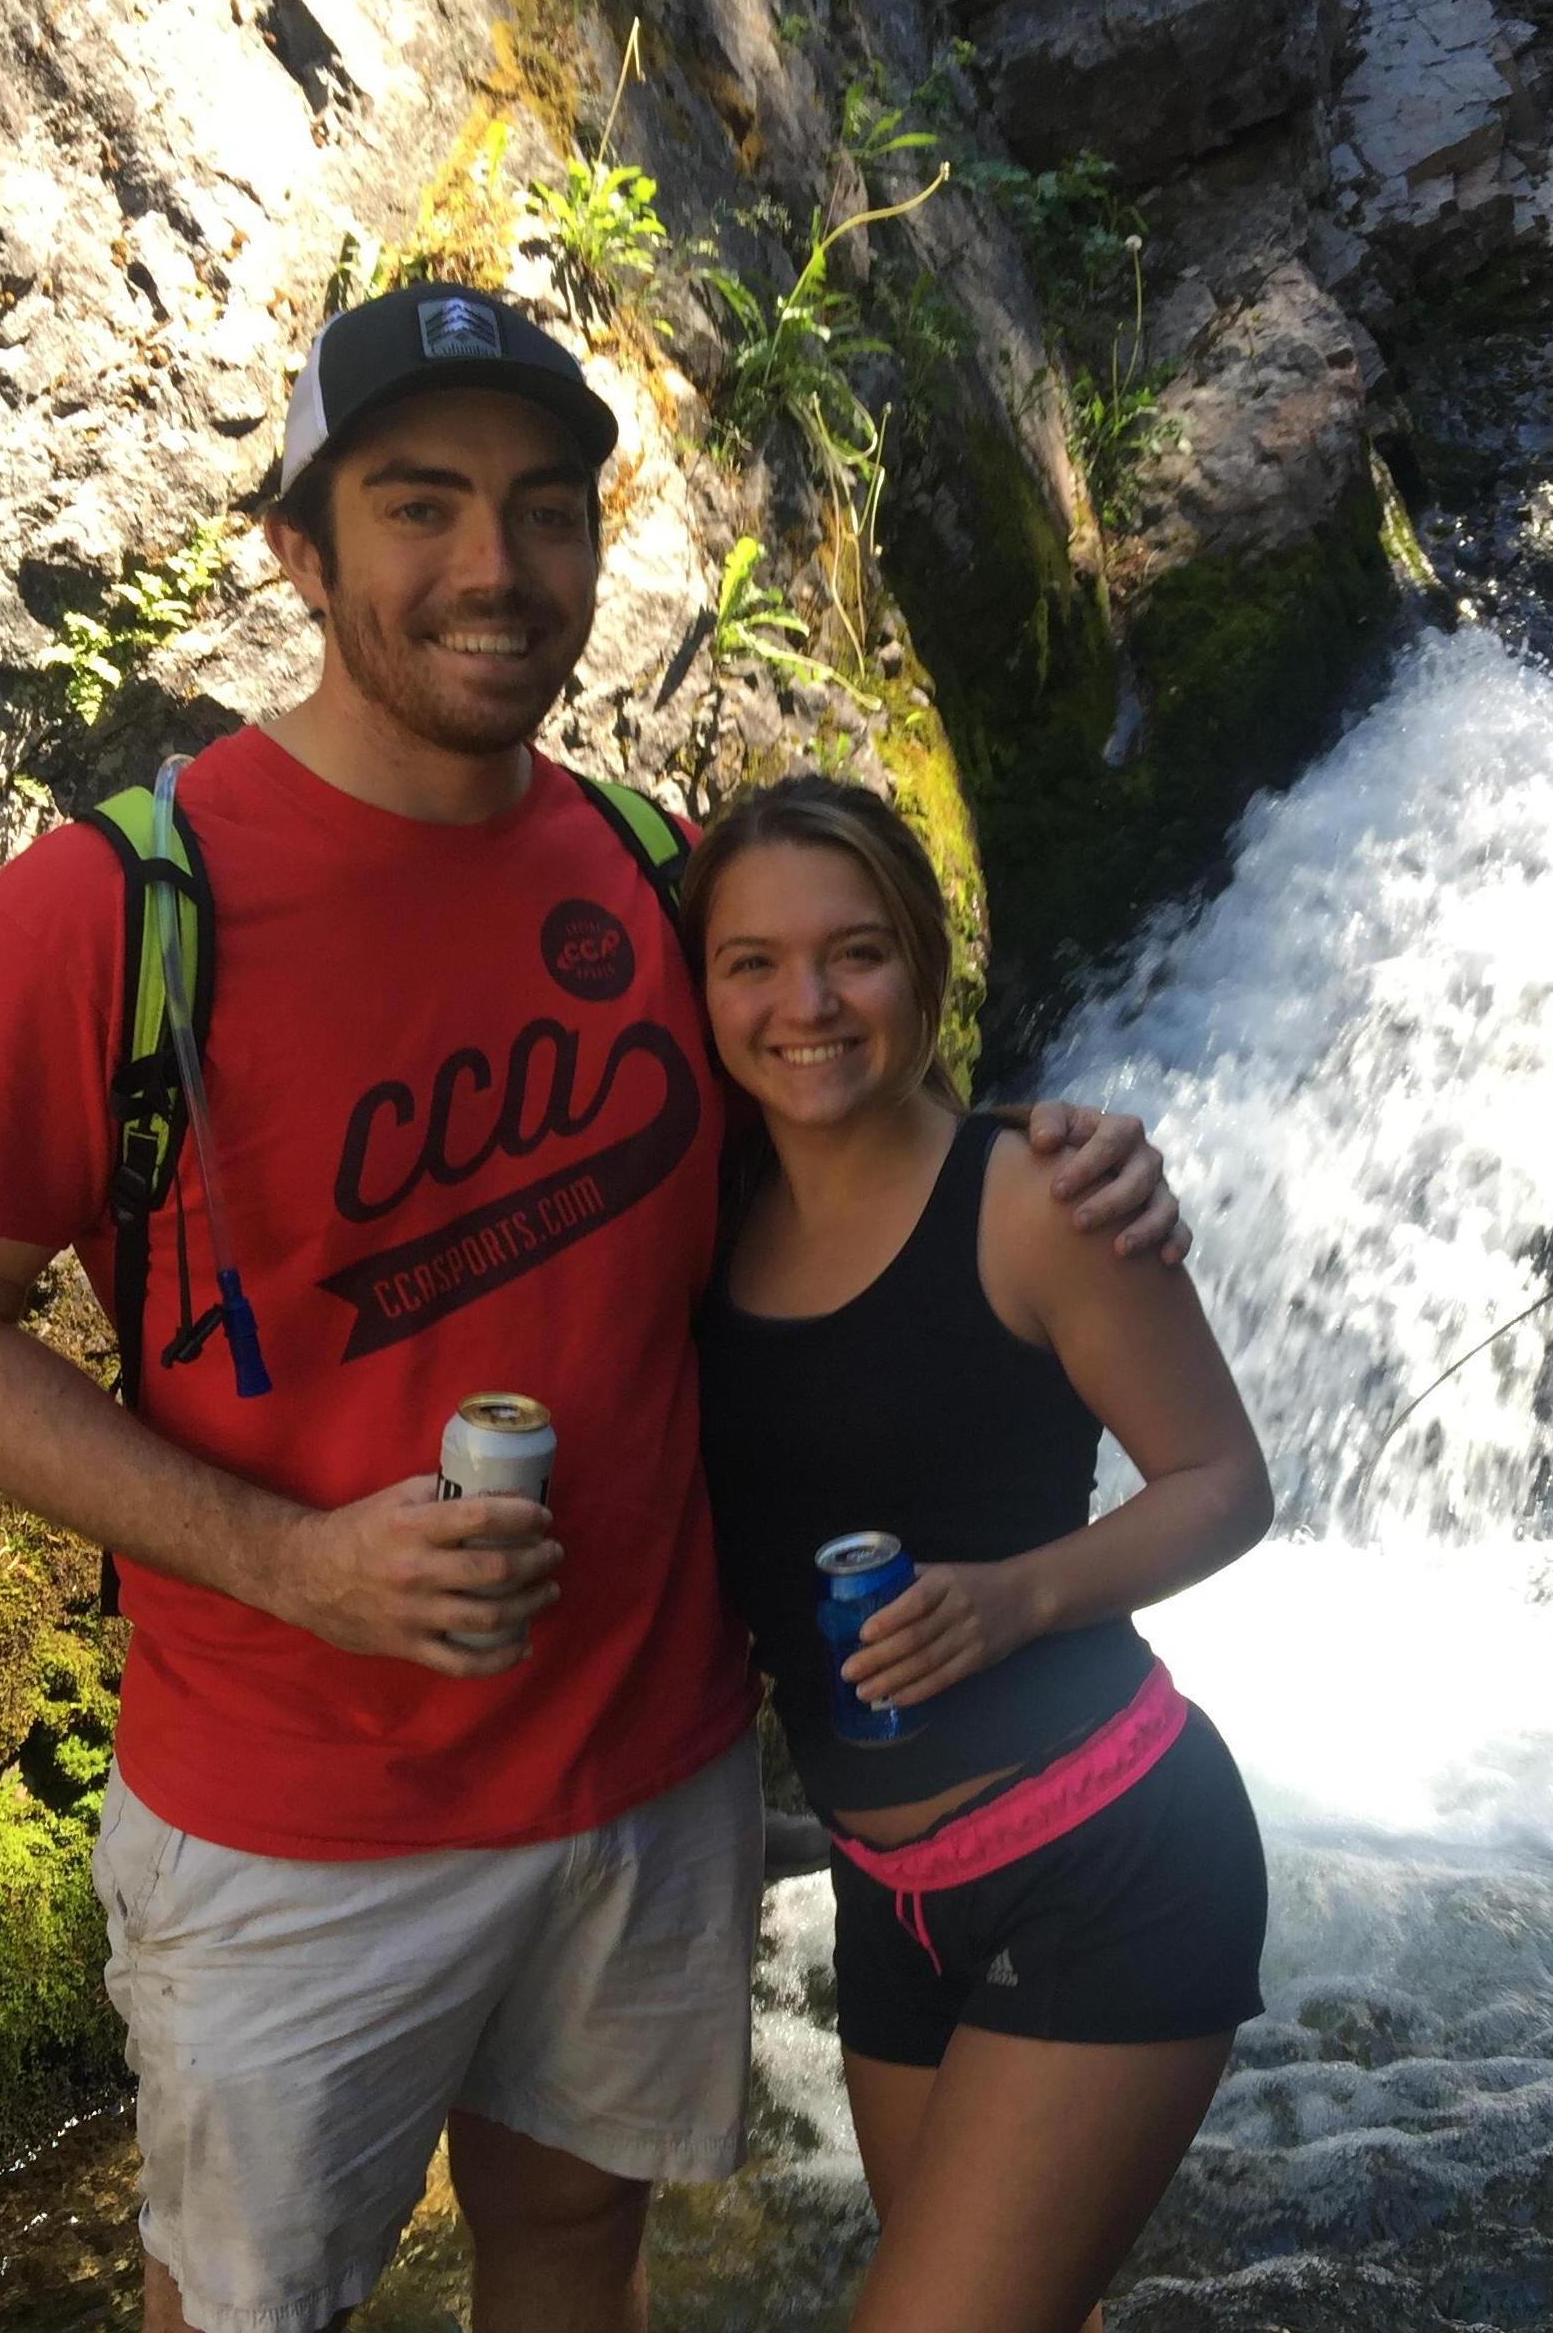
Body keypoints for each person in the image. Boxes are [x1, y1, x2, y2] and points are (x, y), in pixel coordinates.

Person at [0, 282, 1188, 2333]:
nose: (494, 567)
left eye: (547, 510)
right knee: (251, 2305)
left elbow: (844, 1143)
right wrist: (291, 1558)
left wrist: (1062, 1164)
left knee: (574, 2257)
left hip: (649, 1773)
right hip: (299, 1817)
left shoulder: (656, 876)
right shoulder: (119, 905)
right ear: (301, 547)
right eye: (420, 505)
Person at [686, 777, 1274, 2333]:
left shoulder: (1038, 1199)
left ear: (925, 971)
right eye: (750, 962)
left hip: (1112, 1859)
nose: (804, 1003)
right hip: (894, 1898)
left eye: (854, 953)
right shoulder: (706, 1217)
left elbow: (1224, 1483)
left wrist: (1016, 1601)